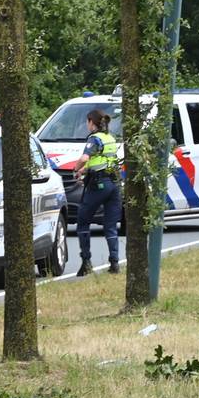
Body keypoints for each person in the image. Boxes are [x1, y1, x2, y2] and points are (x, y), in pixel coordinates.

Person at [72, 110, 122, 276]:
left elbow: (85, 157)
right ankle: (114, 262)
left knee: (83, 221)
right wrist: (85, 171)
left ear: (91, 122)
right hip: (114, 184)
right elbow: (104, 160)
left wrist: (76, 169)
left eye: (87, 122)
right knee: (110, 225)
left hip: (99, 184)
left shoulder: (94, 138)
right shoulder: (110, 138)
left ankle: (86, 262)